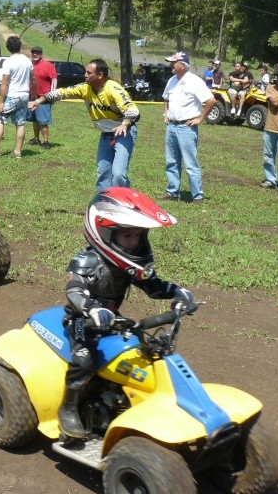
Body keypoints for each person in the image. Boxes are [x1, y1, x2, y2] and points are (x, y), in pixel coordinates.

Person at [56, 187, 195, 439]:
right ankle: (68, 409)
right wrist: (91, 309)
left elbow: (151, 286)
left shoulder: (127, 264)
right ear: (105, 234)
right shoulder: (89, 261)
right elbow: (74, 290)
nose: (133, 242)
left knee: (147, 355)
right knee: (84, 360)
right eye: (127, 236)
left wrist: (177, 292)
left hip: (112, 321)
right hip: (82, 322)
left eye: (138, 236)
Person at [29, 58, 140, 194]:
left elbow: (132, 109)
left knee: (118, 174)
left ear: (100, 75)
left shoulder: (113, 88)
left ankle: (123, 202)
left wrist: (125, 123)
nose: (85, 75)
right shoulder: (85, 89)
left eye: (89, 73)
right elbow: (62, 92)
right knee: (103, 172)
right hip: (106, 135)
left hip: (124, 133)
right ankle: (103, 203)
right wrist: (39, 100)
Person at [161, 51, 216, 204]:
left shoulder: (195, 81)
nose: (171, 65)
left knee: (190, 163)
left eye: (174, 63)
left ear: (183, 66)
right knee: (171, 161)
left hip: (186, 127)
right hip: (171, 126)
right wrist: (166, 113)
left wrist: (200, 118)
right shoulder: (172, 80)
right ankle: (172, 191)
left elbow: (211, 100)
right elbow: (166, 98)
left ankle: (197, 195)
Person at [0, 35, 34, 159]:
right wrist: (33, 95)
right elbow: (33, 79)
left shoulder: (8, 61)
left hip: (13, 95)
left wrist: (1, 102)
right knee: (20, 123)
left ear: (8, 47)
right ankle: (17, 152)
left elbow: (5, 83)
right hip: (24, 95)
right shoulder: (27, 61)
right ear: (20, 46)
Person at [27, 46, 58, 150]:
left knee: (42, 121)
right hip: (32, 97)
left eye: (37, 53)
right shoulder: (30, 65)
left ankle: (46, 141)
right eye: (33, 53)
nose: (35, 54)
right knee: (34, 120)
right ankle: (36, 138)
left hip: (43, 98)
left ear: (41, 54)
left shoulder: (48, 65)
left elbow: (54, 80)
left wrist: (52, 95)